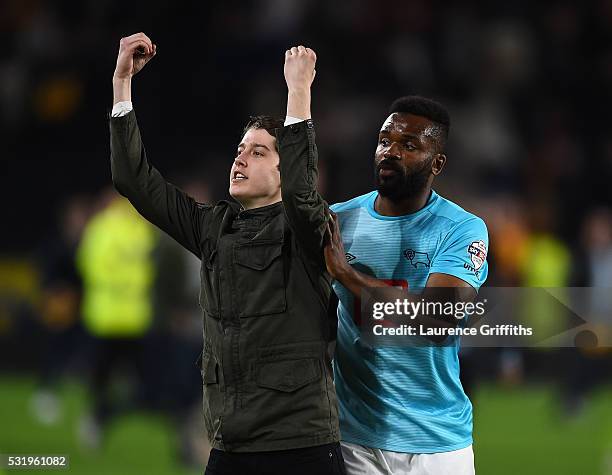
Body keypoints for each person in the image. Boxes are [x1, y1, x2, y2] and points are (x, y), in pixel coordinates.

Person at [109, 33, 345, 475]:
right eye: (239, 150)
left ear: (283, 169)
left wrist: (298, 92)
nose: (240, 160)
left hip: (302, 444)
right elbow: (134, 181)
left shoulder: (311, 229)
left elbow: (300, 191)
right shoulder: (212, 227)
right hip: (230, 445)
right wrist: (122, 84)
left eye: (258, 152)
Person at [324, 96, 489, 475]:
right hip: (352, 440)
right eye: (385, 140)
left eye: (409, 145)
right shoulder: (339, 221)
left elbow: (438, 320)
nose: (391, 152)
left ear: (438, 163)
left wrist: (347, 275)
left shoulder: (461, 229)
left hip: (436, 444)